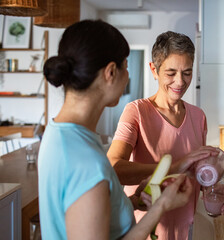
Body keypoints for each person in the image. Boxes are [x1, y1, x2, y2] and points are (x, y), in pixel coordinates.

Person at [38, 20, 193, 240]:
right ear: (111, 72)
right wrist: (162, 206)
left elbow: (89, 215)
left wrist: (132, 201)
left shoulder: (59, 133)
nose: (128, 76)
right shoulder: (85, 161)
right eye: (126, 66)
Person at [107, 31, 224, 240]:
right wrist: (174, 167)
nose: (180, 82)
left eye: (187, 72)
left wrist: (214, 186)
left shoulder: (198, 116)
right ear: (154, 70)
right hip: (144, 229)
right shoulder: (136, 111)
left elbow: (196, 173)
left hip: (185, 229)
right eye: (171, 73)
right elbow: (113, 168)